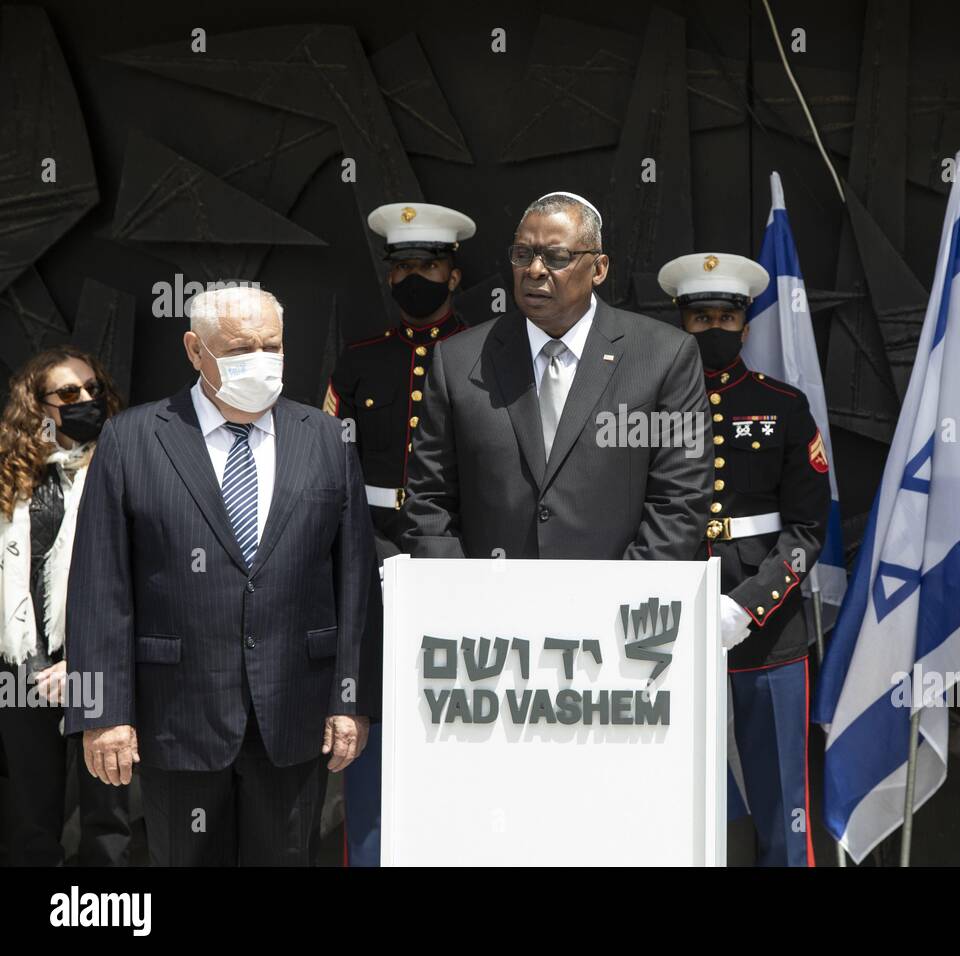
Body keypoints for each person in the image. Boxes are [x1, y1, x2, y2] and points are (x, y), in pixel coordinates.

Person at [64, 286, 380, 866]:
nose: (259, 360)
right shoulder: (133, 438)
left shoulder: (327, 439)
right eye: (240, 348)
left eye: (272, 346)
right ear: (194, 349)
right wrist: (103, 713)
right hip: (177, 716)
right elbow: (99, 587)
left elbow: (354, 582)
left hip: (293, 715)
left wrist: (351, 697)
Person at [397, 191, 711, 561]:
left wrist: (615, 602)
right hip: (490, 610)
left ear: (599, 268)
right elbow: (429, 501)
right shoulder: (458, 360)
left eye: (556, 257)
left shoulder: (666, 356)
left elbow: (681, 500)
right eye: (523, 255)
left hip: (613, 607)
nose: (534, 270)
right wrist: (465, 603)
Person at [658, 252, 830, 867]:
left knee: (782, 800)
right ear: (682, 324)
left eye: (725, 317)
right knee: (666, 803)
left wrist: (747, 607)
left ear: (746, 325)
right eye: (700, 318)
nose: (713, 330)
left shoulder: (783, 405)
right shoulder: (646, 408)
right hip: (666, 626)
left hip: (766, 626)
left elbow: (808, 529)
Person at [322, 201, 475, 867]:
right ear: (388, 277)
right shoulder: (359, 362)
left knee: (461, 715)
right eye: (403, 265)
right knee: (372, 717)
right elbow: (328, 467)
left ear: (454, 275)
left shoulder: (488, 354)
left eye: (429, 265)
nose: (416, 276)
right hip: (372, 551)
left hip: (462, 557)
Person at [0, 347, 131, 865]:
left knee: (108, 813)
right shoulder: (11, 477)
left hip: (98, 663)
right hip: (20, 666)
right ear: (37, 405)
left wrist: (83, 660)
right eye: (69, 393)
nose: (86, 401)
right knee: (32, 814)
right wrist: (29, 662)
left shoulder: (123, 464)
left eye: (94, 389)